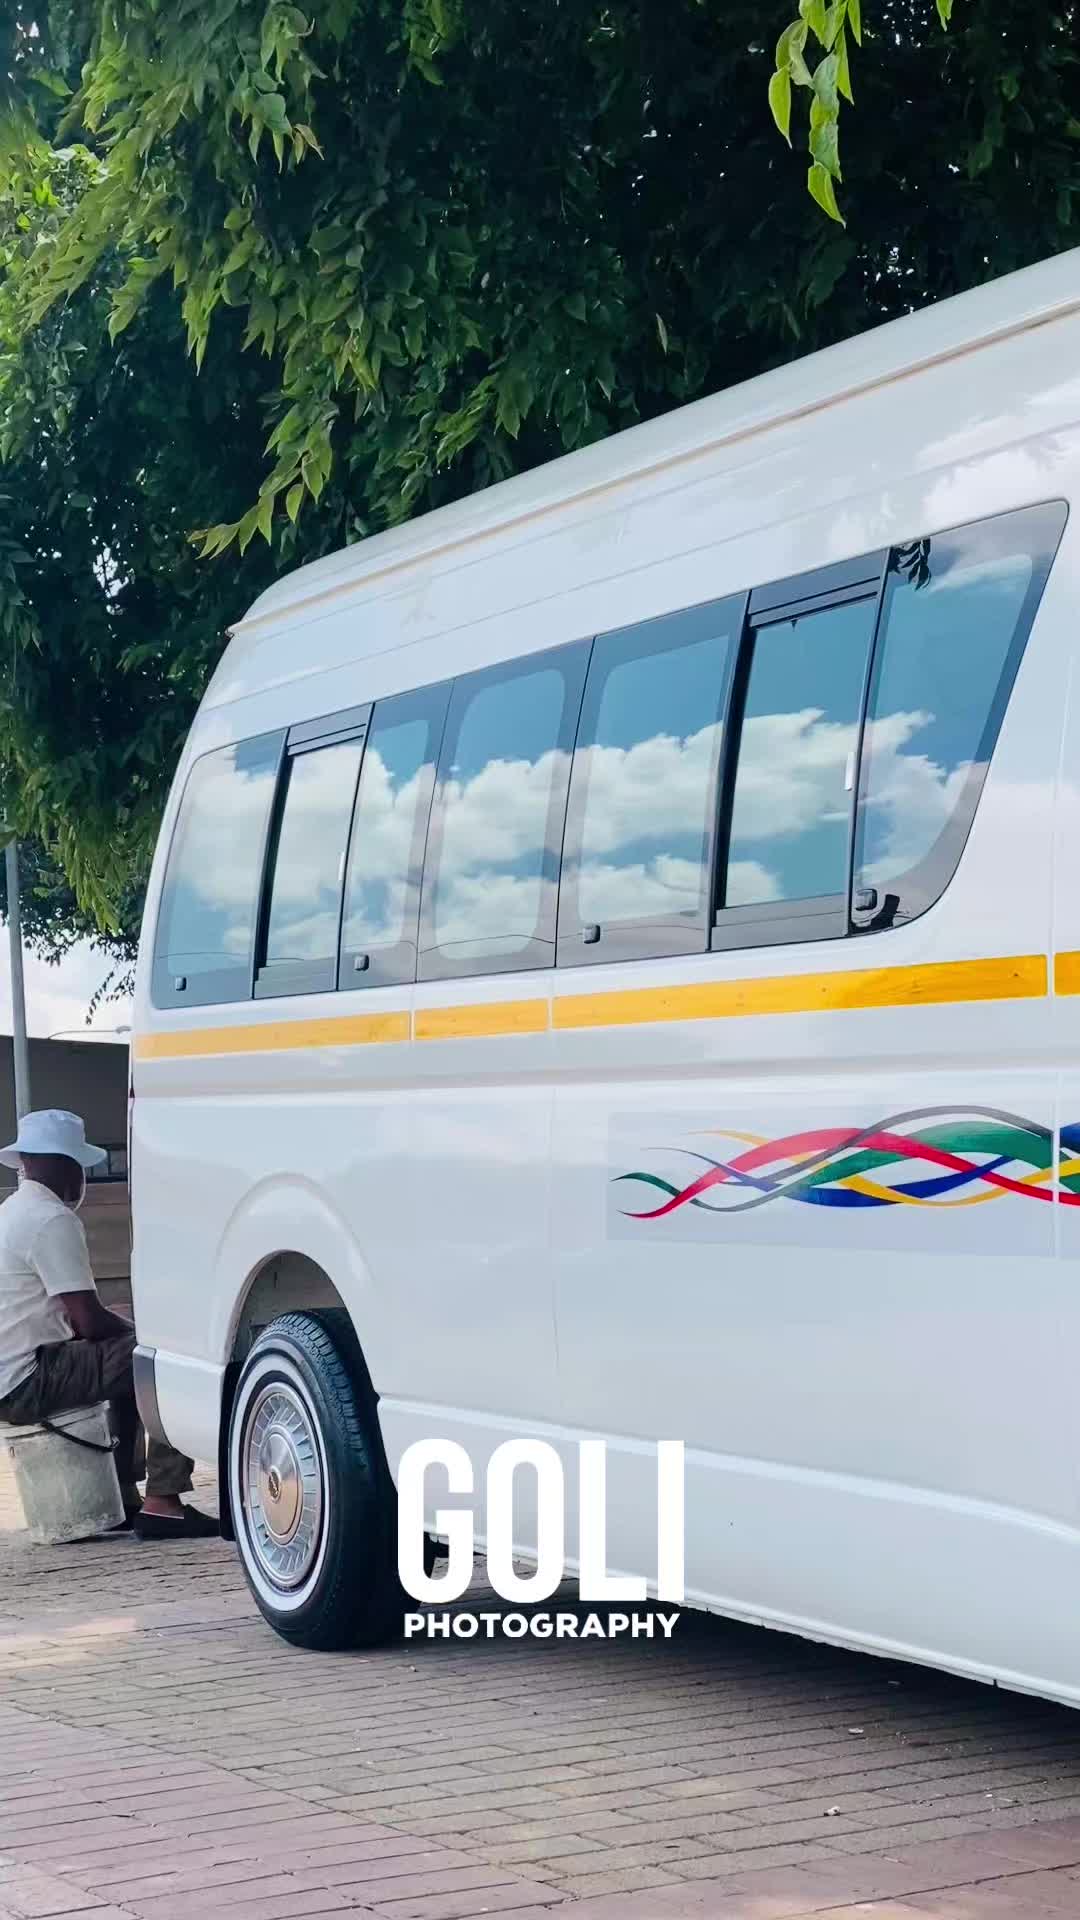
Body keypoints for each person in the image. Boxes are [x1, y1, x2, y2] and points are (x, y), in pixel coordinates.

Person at [0, 1109, 217, 1540]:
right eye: (78, 1165)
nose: (81, 1177)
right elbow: (88, 1322)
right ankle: (164, 1500)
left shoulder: (11, 1212)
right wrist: (144, 1333)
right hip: (30, 1377)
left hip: (12, 1376)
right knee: (164, 1358)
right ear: (63, 1165)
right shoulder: (50, 1219)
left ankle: (122, 1496)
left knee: (129, 1360)